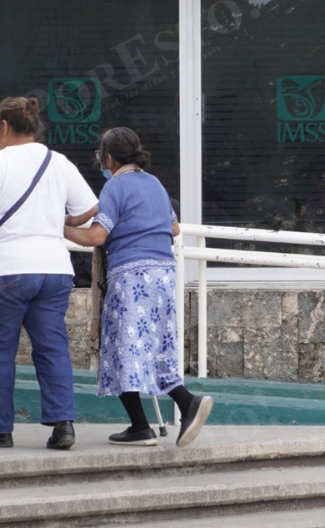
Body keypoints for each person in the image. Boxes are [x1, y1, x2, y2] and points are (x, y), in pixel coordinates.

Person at [0, 97, 99, 451]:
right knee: (52, 349)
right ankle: (63, 426)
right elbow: (89, 209)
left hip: (5, 270)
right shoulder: (58, 161)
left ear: (3, 126)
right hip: (53, 270)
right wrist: (53, 220)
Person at [63, 127, 213, 448]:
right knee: (154, 346)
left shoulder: (115, 187)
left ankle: (185, 404)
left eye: (100, 156)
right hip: (163, 276)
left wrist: (56, 228)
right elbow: (174, 228)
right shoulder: (154, 183)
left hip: (132, 277)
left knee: (120, 348)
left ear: (109, 158)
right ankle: (141, 425)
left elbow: (96, 236)